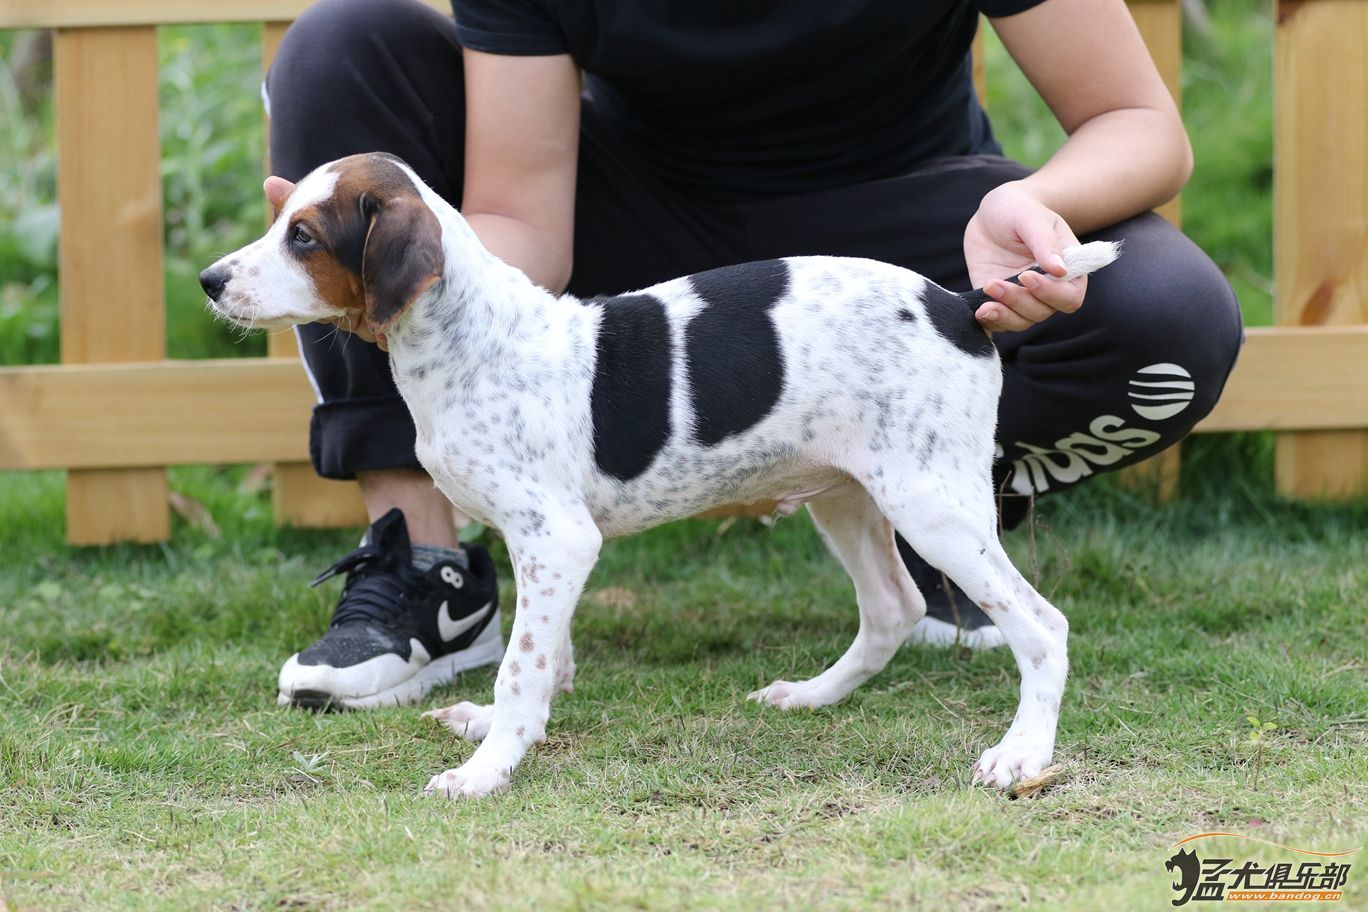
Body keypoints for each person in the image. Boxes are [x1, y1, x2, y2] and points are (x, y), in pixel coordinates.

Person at [265, 0, 1243, 708]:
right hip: (647, 255)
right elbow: (522, 220)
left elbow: (1140, 123)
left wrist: (1044, 203)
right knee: (344, 44)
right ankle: (424, 568)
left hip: (898, 229)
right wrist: (376, 282)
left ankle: (924, 496)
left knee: (1171, 319)